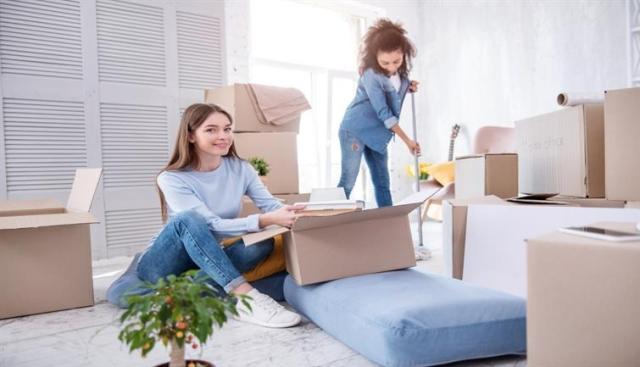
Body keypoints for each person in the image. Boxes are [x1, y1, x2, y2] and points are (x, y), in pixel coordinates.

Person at [135, 103, 303, 328]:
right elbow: (211, 225)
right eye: (211, 129)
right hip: (164, 265)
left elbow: (269, 204)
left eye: (227, 128)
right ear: (191, 136)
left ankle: (190, 292)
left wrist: (296, 212)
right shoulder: (171, 178)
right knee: (188, 219)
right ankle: (244, 298)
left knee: (260, 245)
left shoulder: (241, 169)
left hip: (208, 260)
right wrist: (265, 221)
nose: (223, 136)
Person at [338, 18, 421, 207]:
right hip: (355, 130)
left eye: (396, 61)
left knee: (383, 184)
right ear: (374, 56)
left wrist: (408, 86)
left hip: (377, 136)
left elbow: (393, 93)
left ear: (404, 54)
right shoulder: (370, 74)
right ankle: (328, 226)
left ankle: (389, 228)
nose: (392, 67)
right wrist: (408, 141)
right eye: (385, 62)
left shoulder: (402, 76)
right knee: (347, 182)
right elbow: (384, 112)